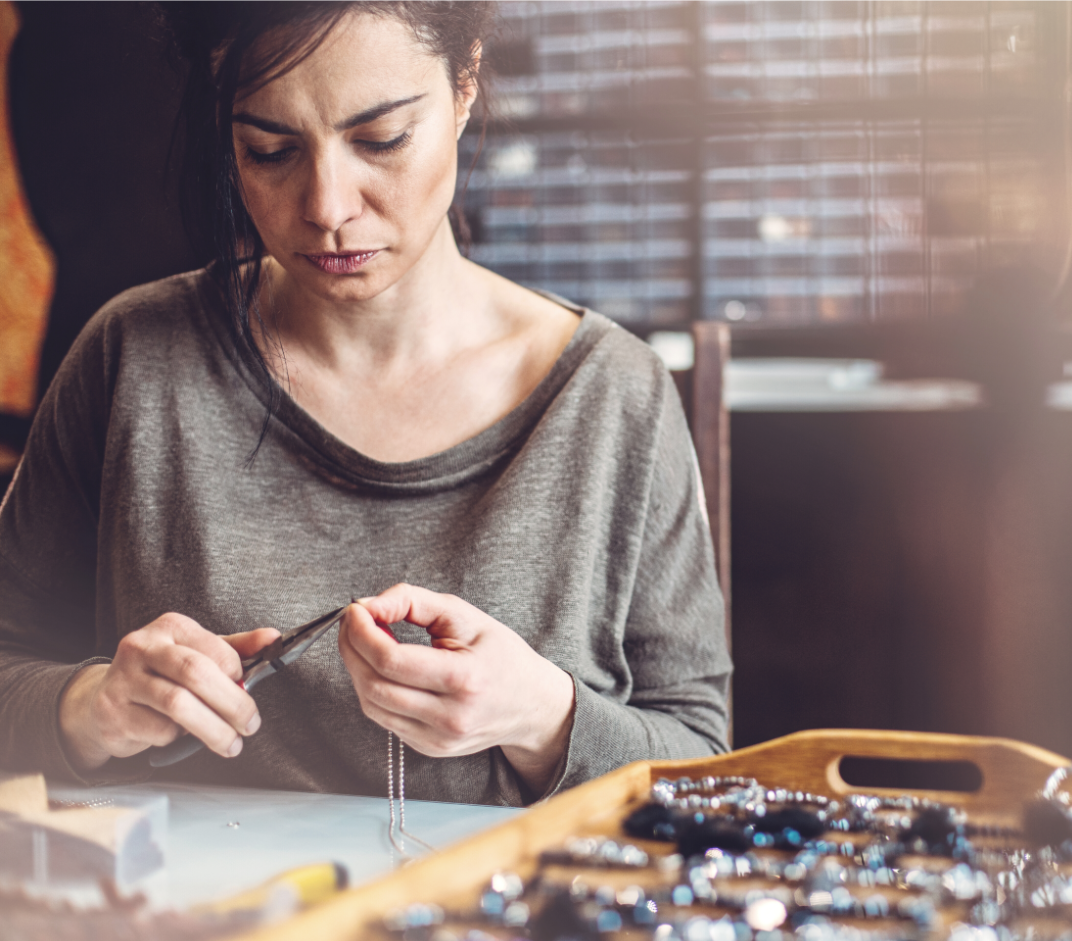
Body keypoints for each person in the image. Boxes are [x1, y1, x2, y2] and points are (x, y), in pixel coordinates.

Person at [0, 2, 730, 805]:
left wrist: (543, 718)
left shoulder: (613, 395)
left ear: (464, 86)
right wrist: (86, 709)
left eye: (380, 140)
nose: (326, 207)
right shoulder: (130, 358)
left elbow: (703, 767)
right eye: (268, 151)